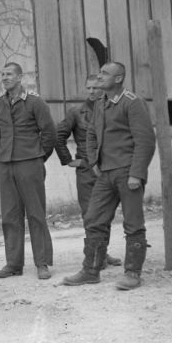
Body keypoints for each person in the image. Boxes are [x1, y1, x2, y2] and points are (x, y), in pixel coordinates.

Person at [62, 62, 156, 290]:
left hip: (127, 172)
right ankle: (91, 270)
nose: (100, 76)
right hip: (105, 173)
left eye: (105, 73)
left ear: (118, 78)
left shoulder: (132, 103)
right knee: (94, 218)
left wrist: (137, 173)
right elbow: (92, 134)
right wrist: (94, 161)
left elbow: (145, 141)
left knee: (133, 223)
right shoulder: (101, 103)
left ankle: (132, 273)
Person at [0, 62, 57, 280]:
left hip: (30, 162)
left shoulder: (35, 102)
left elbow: (49, 132)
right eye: (3, 74)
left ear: (20, 77)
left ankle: (42, 263)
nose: (5, 77)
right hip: (7, 163)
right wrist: (7, 153)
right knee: (10, 215)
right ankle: (13, 264)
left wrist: (38, 157)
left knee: (36, 213)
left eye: (9, 74)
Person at [55, 74, 121, 268]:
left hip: (108, 168)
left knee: (106, 213)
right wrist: (70, 161)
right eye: (88, 88)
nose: (92, 92)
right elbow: (58, 136)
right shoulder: (76, 112)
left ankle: (102, 252)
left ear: (103, 88)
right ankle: (92, 256)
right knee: (90, 214)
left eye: (96, 88)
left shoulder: (112, 109)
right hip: (86, 171)